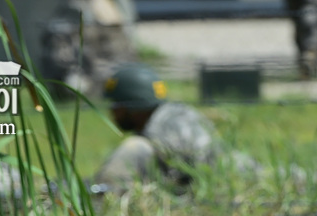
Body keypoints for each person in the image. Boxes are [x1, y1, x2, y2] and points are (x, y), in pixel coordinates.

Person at [91, 63, 222, 191]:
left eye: (116, 104)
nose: (112, 112)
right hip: (217, 189)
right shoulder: (184, 114)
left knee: (134, 147)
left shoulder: (155, 136)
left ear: (133, 105)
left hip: (192, 198)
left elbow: (103, 191)